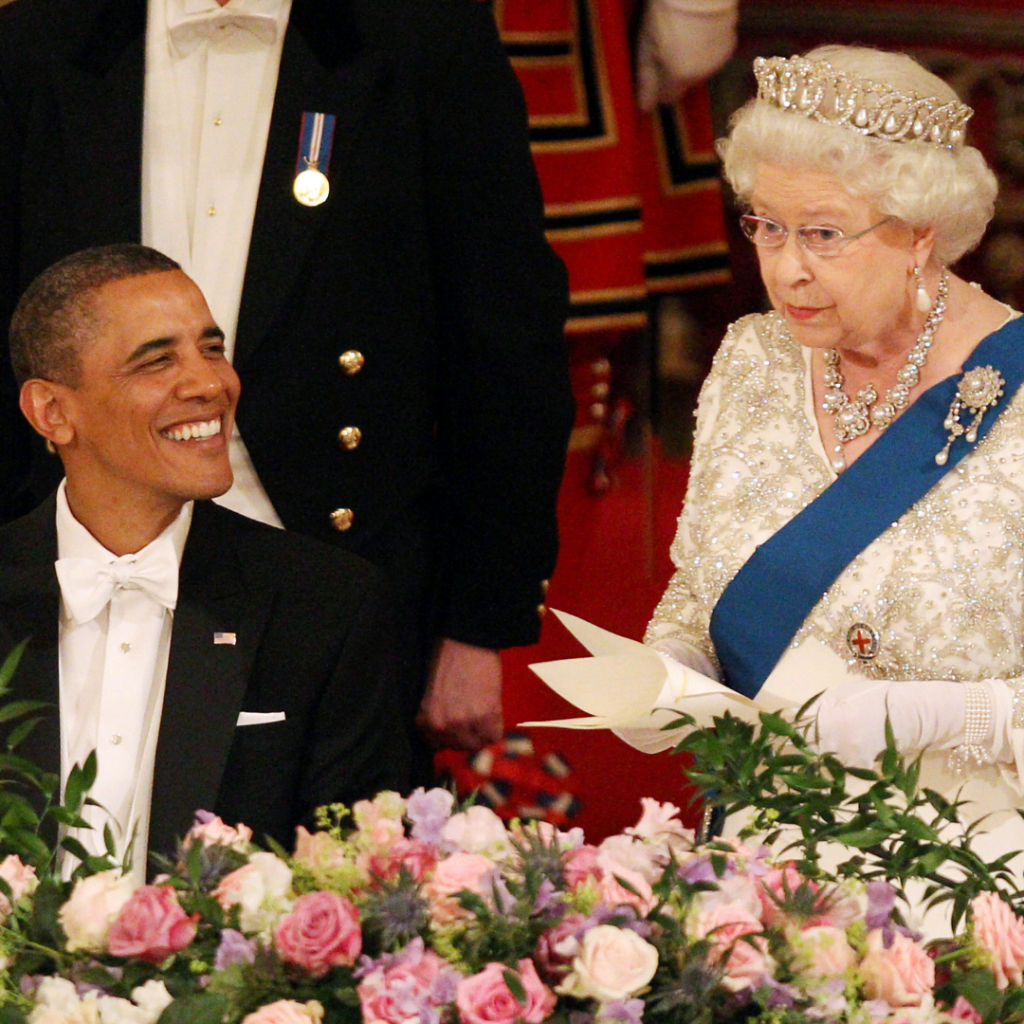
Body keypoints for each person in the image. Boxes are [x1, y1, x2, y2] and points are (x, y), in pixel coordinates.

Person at [0, 0, 574, 760]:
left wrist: (477, 624)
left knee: (337, 872)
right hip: (69, 582)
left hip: (346, 584)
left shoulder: (423, 38)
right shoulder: (32, 44)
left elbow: (506, 345)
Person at [642, 46, 1024, 837]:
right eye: (766, 226)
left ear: (920, 233)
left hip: (968, 872)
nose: (788, 271)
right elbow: (702, 588)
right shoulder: (753, 359)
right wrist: (674, 666)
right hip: (761, 860)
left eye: (823, 234)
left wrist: (946, 714)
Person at [0, 244, 410, 880]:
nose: (211, 384)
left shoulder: (328, 605)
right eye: (158, 360)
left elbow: (356, 881)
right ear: (53, 412)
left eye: (212, 348)